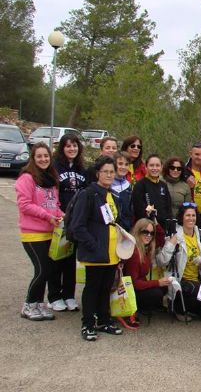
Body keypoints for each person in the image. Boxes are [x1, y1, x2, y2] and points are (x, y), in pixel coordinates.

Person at [71, 156, 123, 340]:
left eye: (112, 172)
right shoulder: (88, 194)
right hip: (96, 252)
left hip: (112, 253)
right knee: (92, 288)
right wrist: (93, 245)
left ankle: (103, 320)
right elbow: (77, 226)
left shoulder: (112, 195)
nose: (109, 175)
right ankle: (87, 324)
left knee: (105, 287)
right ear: (97, 173)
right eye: (105, 172)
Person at [15, 143, 64, 321]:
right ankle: (28, 304)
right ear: (33, 158)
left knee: (48, 270)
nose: (43, 159)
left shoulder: (51, 178)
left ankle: (38, 303)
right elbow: (25, 205)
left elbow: (54, 205)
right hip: (32, 233)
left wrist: (62, 216)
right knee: (42, 269)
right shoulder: (26, 179)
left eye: (46, 156)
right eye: (39, 156)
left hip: (49, 233)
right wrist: (47, 216)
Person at [157, 203, 201, 321]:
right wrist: (171, 243)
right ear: (182, 218)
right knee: (196, 292)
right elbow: (161, 261)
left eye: (193, 215)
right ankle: (176, 307)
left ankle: (189, 307)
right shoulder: (175, 235)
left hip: (199, 278)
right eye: (187, 215)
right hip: (180, 281)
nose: (191, 218)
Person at [51, 133, 87, 312]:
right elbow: (52, 193)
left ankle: (69, 295)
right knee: (58, 258)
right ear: (62, 148)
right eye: (68, 146)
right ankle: (54, 296)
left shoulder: (81, 168)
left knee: (72, 259)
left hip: (76, 220)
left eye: (75, 145)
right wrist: (58, 213)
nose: (72, 148)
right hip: (60, 218)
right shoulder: (55, 167)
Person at [122, 218, 171, 327]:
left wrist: (155, 220)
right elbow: (134, 284)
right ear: (137, 231)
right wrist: (157, 282)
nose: (149, 235)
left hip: (138, 288)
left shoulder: (146, 248)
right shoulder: (135, 252)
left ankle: (144, 306)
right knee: (157, 292)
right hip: (130, 291)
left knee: (165, 286)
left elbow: (160, 237)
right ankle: (137, 307)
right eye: (145, 232)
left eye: (151, 233)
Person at [132, 155, 173, 247]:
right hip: (146, 232)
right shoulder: (140, 185)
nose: (154, 168)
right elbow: (139, 211)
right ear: (146, 167)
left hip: (162, 231)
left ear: (161, 167)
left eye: (157, 165)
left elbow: (168, 208)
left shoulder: (163, 185)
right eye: (151, 165)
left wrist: (169, 228)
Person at [111, 152, 133, 231]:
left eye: (126, 164)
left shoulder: (128, 185)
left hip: (126, 227)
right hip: (111, 227)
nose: (123, 167)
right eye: (120, 164)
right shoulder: (108, 184)